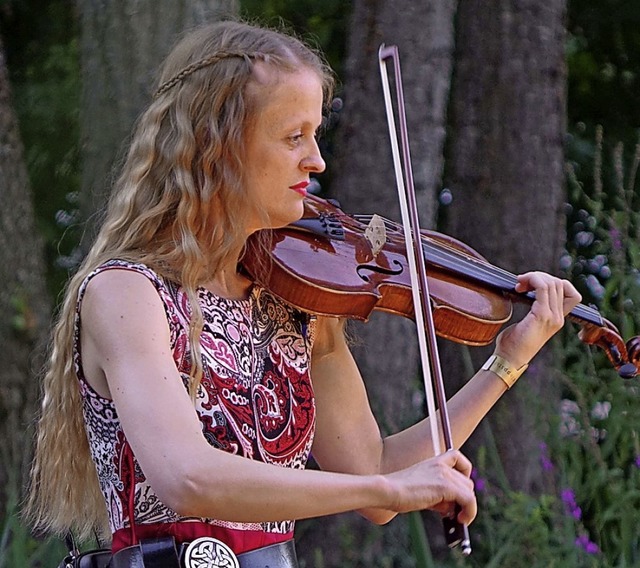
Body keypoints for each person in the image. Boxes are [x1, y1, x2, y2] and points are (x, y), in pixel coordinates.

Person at [25, 20, 581, 568]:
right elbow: (186, 477)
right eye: (294, 137)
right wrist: (390, 490)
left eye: (314, 134)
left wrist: (508, 361)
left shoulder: (296, 303)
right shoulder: (126, 292)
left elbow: (373, 469)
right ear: (217, 145)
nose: (316, 160)